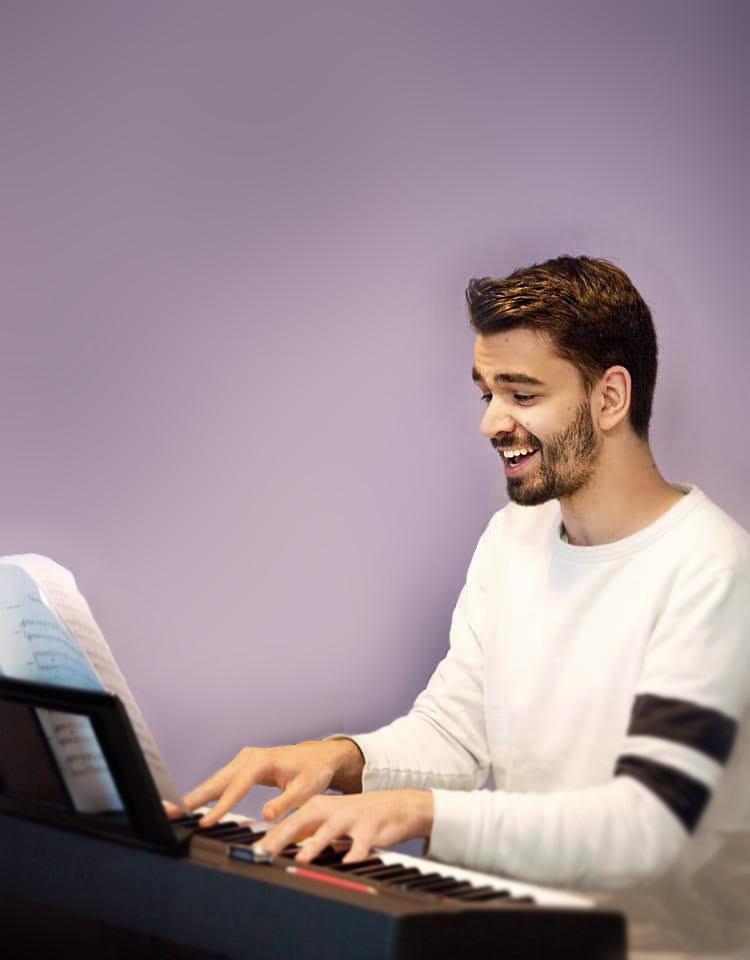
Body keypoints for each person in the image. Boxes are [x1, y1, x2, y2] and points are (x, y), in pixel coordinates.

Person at [183, 256, 750, 958]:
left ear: (610, 399)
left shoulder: (714, 574)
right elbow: (457, 734)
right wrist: (337, 758)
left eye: (521, 393)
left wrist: (419, 811)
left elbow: (646, 827)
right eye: (485, 393)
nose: (491, 422)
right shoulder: (514, 538)